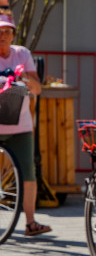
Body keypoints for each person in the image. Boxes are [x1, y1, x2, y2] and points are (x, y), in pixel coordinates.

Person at [0, 13, 49, 237]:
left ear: (13, 35)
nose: (3, 36)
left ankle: (30, 223)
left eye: (7, 31)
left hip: (20, 126)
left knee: (28, 175)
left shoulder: (22, 54)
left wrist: (22, 79)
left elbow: (37, 89)